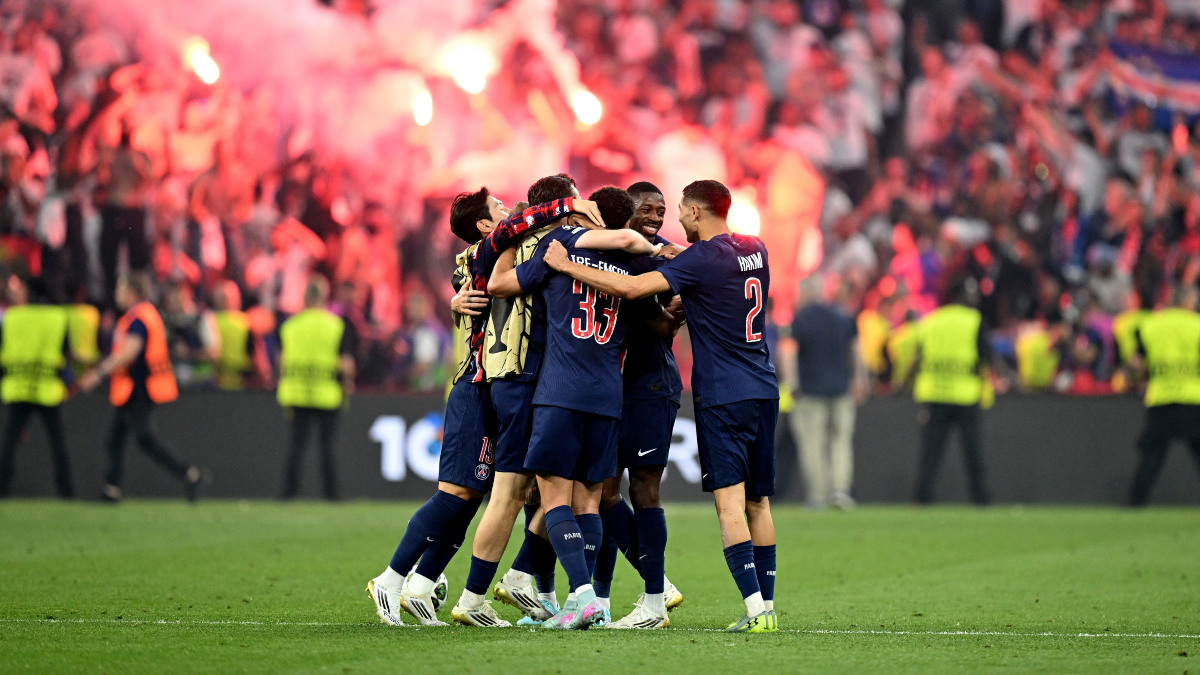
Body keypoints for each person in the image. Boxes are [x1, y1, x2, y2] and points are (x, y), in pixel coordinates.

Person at [544, 179, 780, 633]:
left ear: (693, 213)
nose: (669, 220)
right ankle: (764, 608)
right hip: (763, 386)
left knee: (729, 505)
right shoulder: (756, 249)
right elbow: (710, 273)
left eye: (677, 211)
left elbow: (633, 290)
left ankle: (752, 612)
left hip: (722, 393)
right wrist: (678, 258)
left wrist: (567, 265)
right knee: (758, 502)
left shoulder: (699, 260)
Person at [365, 187, 602, 627]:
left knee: (481, 497)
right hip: (479, 385)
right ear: (484, 226)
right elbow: (503, 243)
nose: (508, 209)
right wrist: (568, 206)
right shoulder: (489, 251)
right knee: (463, 494)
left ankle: (422, 585)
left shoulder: (492, 254)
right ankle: (394, 577)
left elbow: (473, 277)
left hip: (493, 385)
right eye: (498, 208)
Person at [450, 177, 654, 628]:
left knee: (550, 496)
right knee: (590, 500)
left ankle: (577, 595)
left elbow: (501, 284)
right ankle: (592, 600)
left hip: (559, 390)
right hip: (608, 393)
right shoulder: (631, 262)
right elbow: (636, 253)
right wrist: (665, 250)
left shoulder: (556, 245)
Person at [593, 181, 686, 629]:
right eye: (647, 210)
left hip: (651, 385)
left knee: (643, 489)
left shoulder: (657, 260)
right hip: (612, 389)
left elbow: (666, 324)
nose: (656, 217)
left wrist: (677, 306)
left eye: (661, 211)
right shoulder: (625, 256)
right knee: (603, 493)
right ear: (626, 214)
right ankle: (648, 587)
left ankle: (652, 601)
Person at [78, 272, 204, 502]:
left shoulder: (138, 318)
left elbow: (128, 353)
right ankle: (112, 489)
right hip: (134, 387)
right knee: (118, 438)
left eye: (120, 288)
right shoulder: (142, 315)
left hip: (141, 387)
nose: (117, 293)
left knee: (143, 438)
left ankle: (189, 473)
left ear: (131, 292)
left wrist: (97, 373)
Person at [908, 279, 993, 506]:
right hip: (965, 394)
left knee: (930, 453)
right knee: (972, 452)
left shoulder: (930, 321)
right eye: (971, 293)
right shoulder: (973, 321)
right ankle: (980, 499)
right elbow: (986, 358)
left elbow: (917, 357)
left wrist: (902, 383)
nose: (975, 298)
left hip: (935, 393)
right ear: (960, 295)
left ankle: (921, 498)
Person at [786, 275, 867, 510]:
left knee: (813, 444)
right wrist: (859, 378)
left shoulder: (800, 319)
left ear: (805, 293)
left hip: (810, 393)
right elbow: (856, 349)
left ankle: (818, 496)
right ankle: (840, 492)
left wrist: (792, 383)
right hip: (841, 390)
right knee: (841, 442)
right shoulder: (842, 316)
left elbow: (789, 352)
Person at [276, 276, 354, 500]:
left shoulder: (289, 326)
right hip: (328, 394)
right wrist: (347, 385)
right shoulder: (337, 325)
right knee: (327, 449)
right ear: (324, 297)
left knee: (296, 447)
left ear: (304, 297)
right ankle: (332, 496)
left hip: (296, 393)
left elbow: (280, 360)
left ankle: (288, 495)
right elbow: (346, 364)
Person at [0, 276, 75, 498]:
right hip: (47, 387)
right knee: (58, 442)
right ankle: (67, 491)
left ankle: (2, 489)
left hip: (18, 385)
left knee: (10, 442)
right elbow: (66, 351)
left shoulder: (12, 316)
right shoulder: (58, 317)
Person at [1128, 284, 1200, 506]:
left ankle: (1135, 504)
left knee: (1151, 456)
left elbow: (1136, 362)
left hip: (1161, 397)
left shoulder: (1150, 325)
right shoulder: (1196, 325)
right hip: (1193, 398)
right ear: (1188, 301)